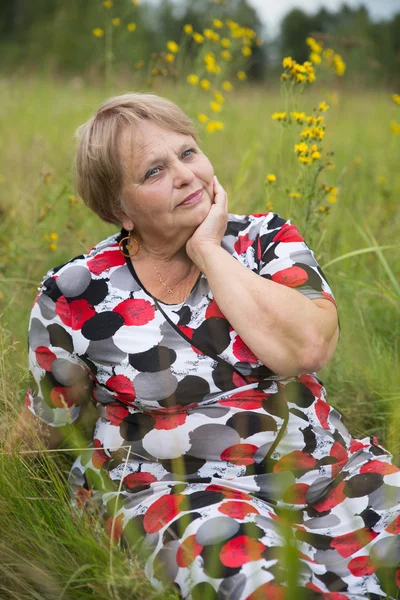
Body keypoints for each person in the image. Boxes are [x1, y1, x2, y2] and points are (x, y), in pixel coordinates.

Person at [16, 92, 400, 599]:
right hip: (185, 495)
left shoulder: (264, 241)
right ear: (118, 208)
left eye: (188, 153)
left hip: (329, 475)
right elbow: (49, 418)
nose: (184, 174)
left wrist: (208, 252)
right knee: (261, 585)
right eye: (154, 172)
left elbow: (308, 346)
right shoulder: (76, 292)